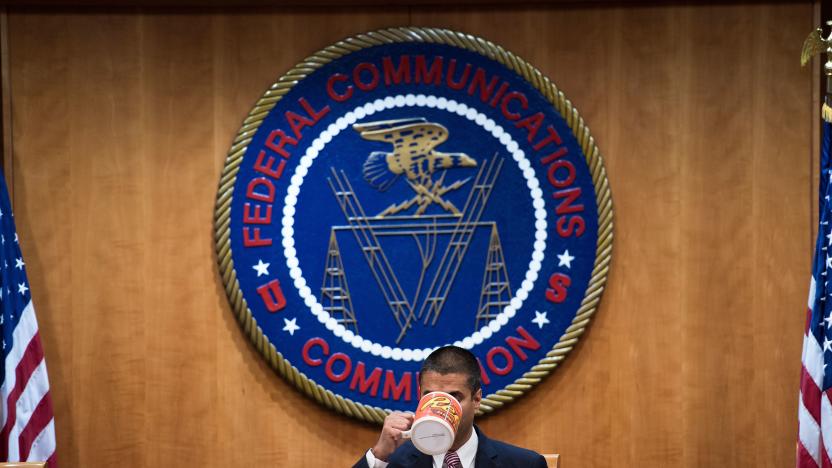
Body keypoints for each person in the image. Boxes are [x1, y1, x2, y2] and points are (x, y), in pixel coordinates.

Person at [354, 346, 547, 468]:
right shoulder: (394, 463)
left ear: (477, 400)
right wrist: (380, 454)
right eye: (430, 396)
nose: (442, 409)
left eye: (454, 397)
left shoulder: (524, 464)